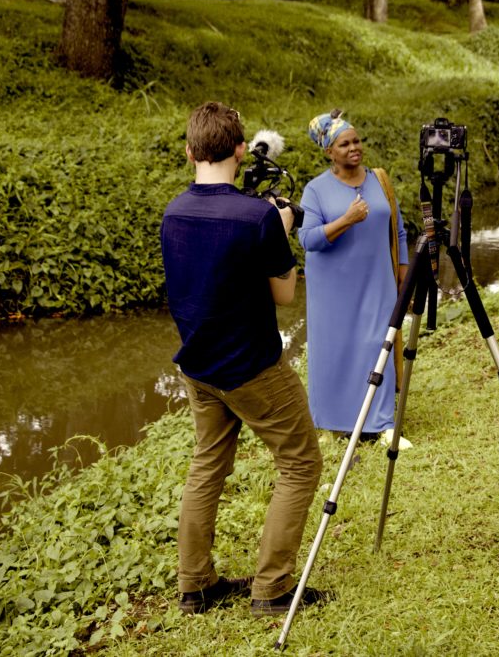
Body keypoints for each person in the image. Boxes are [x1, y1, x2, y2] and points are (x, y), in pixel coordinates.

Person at [160, 101, 327, 617]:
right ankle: (272, 589)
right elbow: (284, 296)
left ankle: (196, 585)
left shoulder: (173, 211)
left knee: (207, 464)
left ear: (190, 152)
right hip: (252, 367)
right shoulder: (256, 216)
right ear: (239, 148)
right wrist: (277, 227)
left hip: (198, 366)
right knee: (300, 464)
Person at [298, 110, 409, 442]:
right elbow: (308, 240)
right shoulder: (316, 190)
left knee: (380, 344)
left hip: (377, 280)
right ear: (329, 151)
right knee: (335, 350)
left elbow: (398, 230)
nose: (353, 148)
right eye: (344, 144)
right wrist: (345, 220)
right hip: (333, 287)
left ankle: (383, 423)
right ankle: (332, 422)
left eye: (356, 141)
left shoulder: (379, 180)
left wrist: (403, 270)